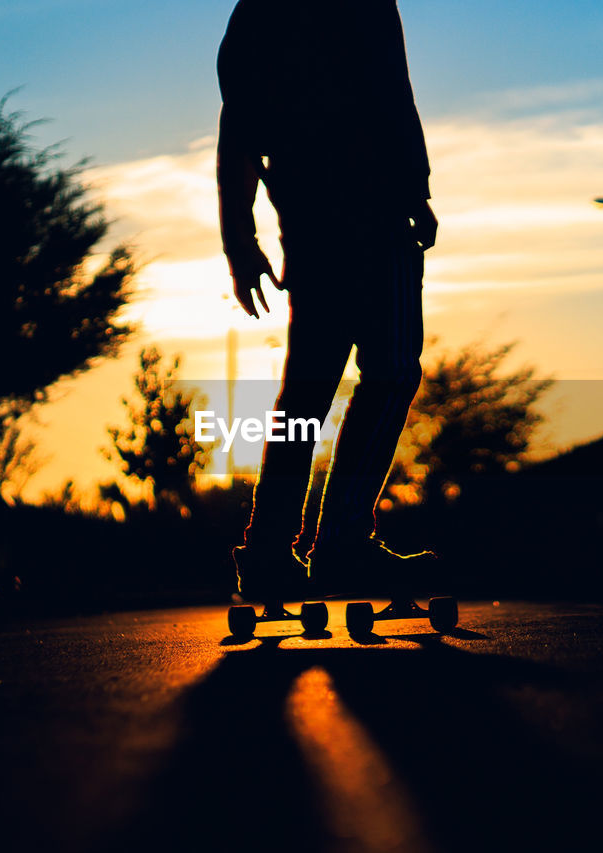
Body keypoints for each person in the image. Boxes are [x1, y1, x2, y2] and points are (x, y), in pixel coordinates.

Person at [216, 0, 438, 600]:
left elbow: (393, 91)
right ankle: (335, 542)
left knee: (313, 386)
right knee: (387, 371)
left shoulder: (263, 13)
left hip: (324, 211)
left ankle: (271, 549)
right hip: (351, 211)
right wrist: (239, 239)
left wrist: (241, 237)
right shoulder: (270, 13)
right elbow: (241, 129)